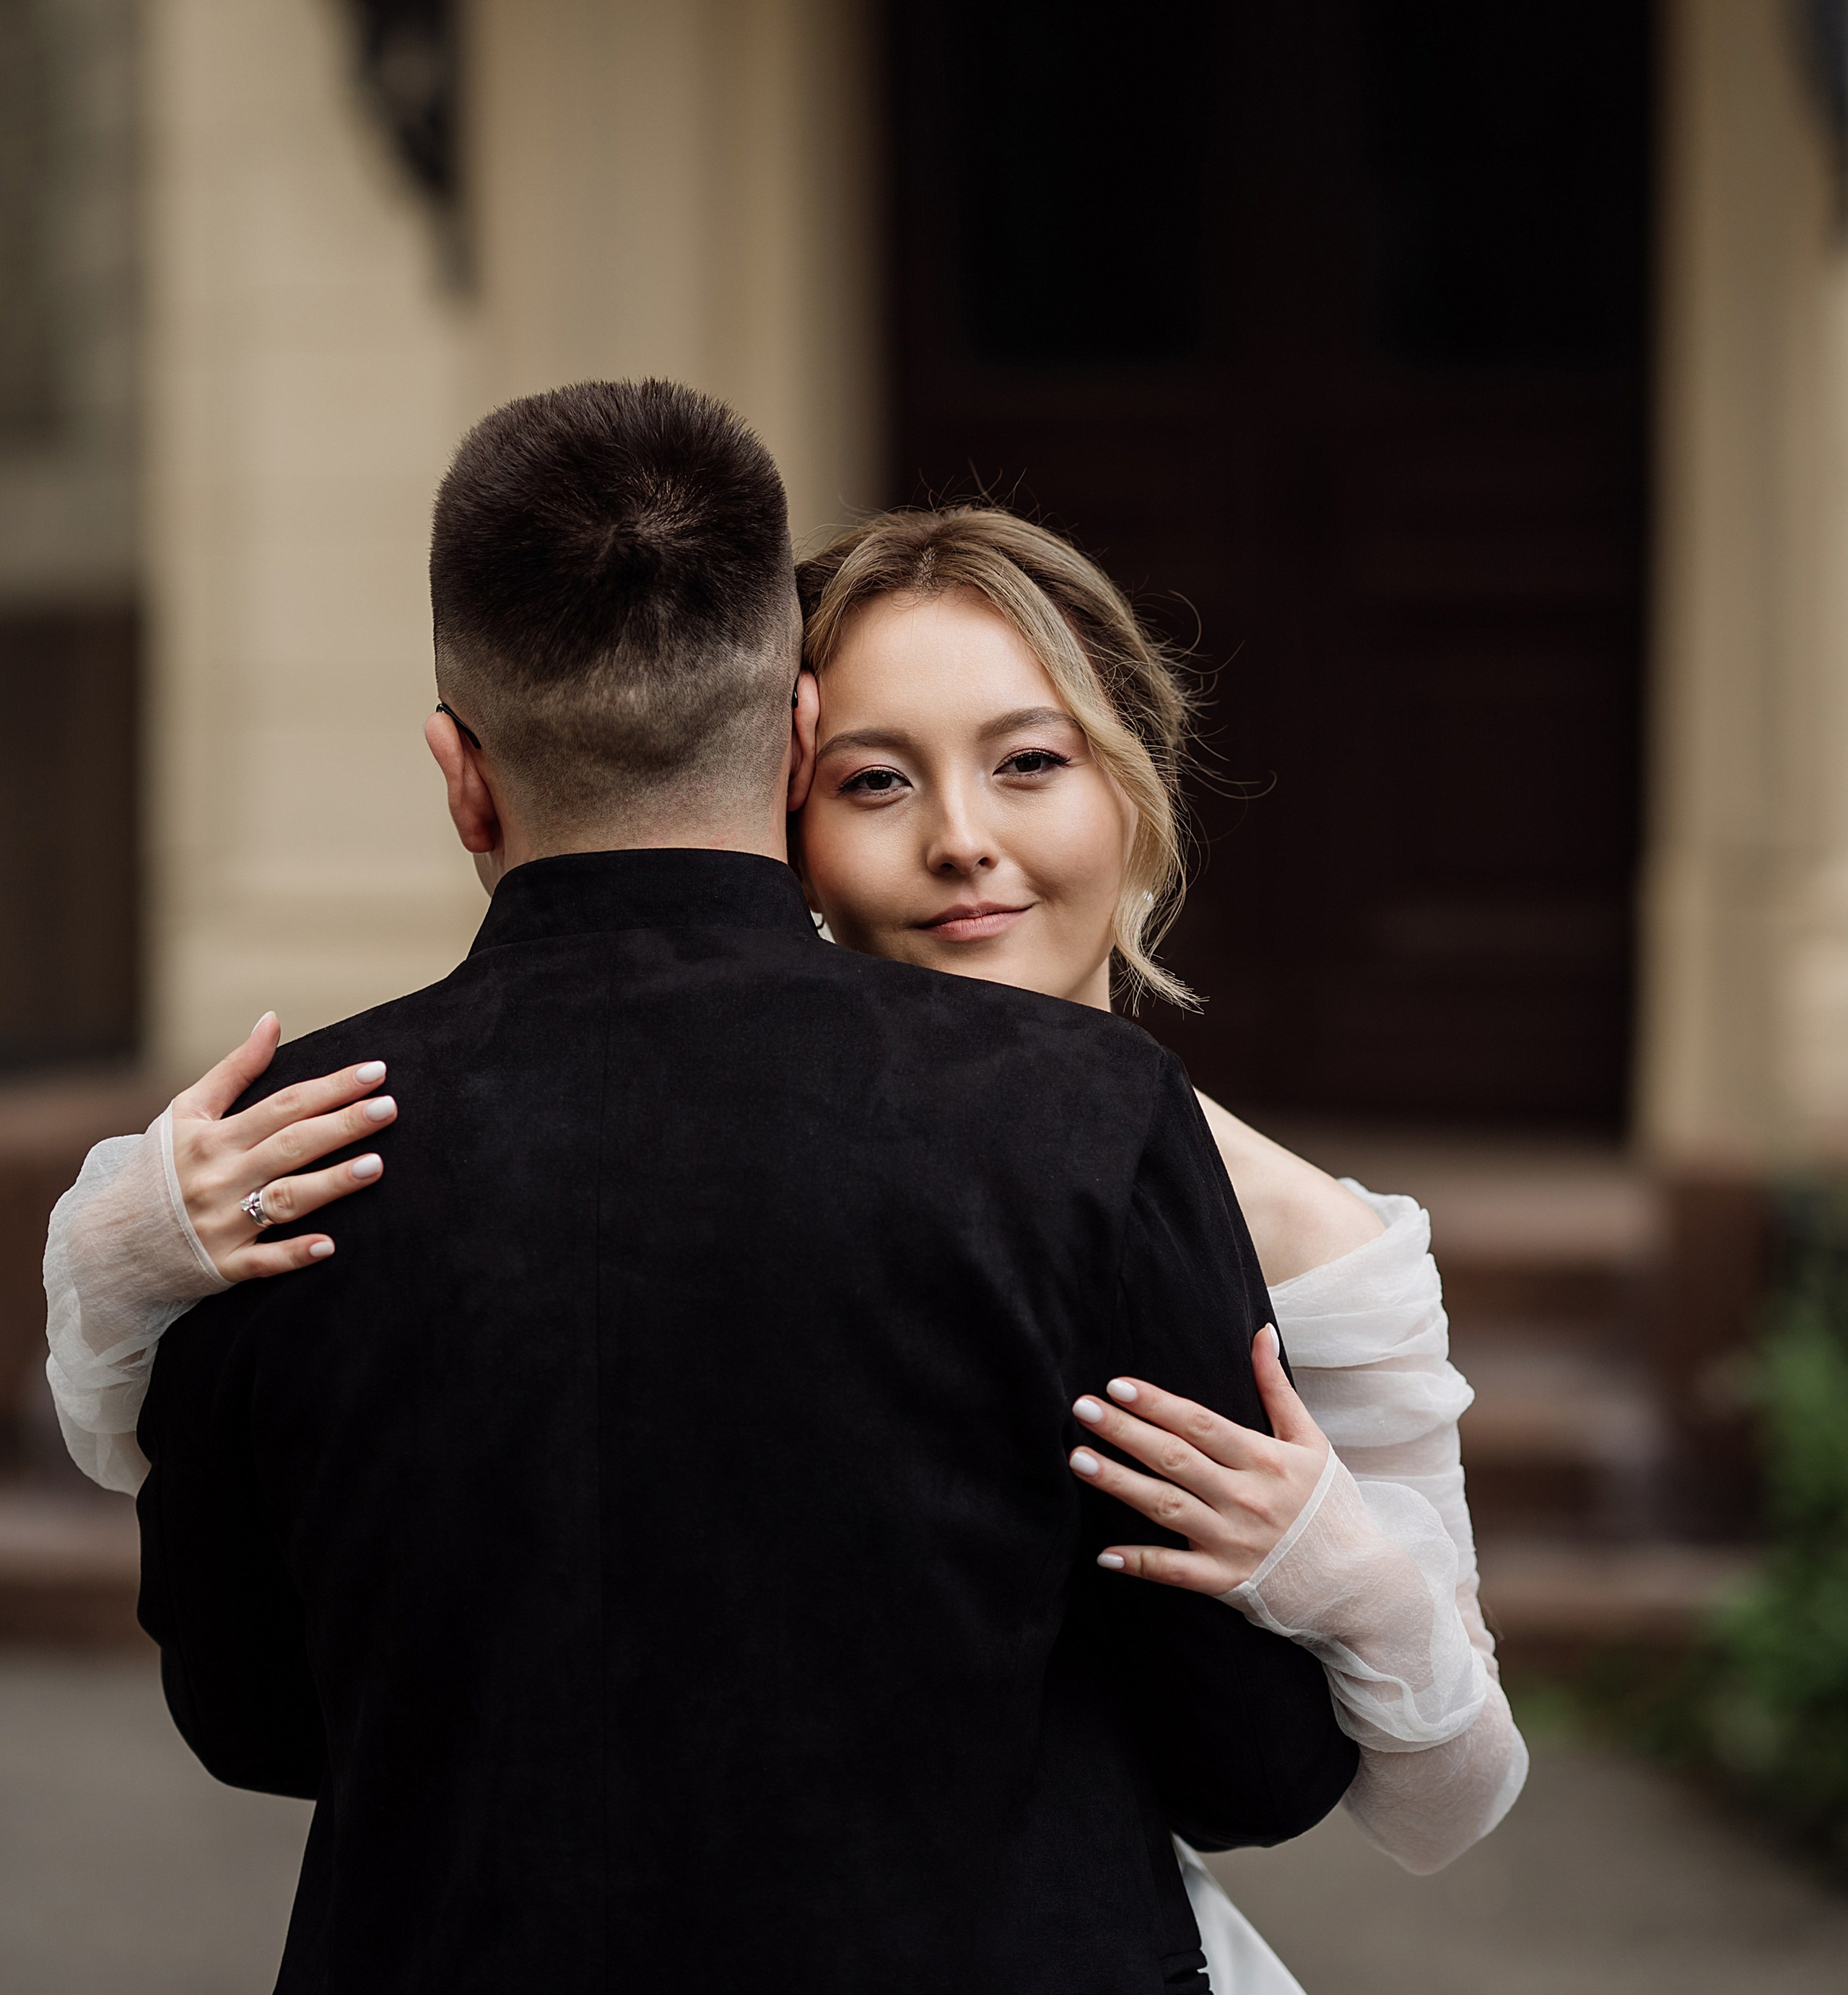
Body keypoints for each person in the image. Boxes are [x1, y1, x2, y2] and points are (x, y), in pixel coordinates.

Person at [58, 382, 1357, 1995]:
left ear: (462, 774)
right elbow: (1254, 1757)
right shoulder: (1080, 1119)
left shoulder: (269, 1155)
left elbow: (248, 1717)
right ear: (799, 735)